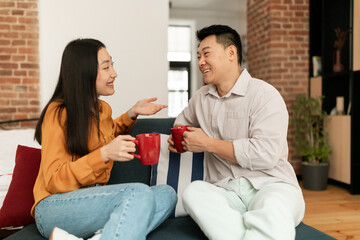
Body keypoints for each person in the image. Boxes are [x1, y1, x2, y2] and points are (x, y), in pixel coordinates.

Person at [168, 25, 305, 240]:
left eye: (206, 54)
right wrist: (177, 140)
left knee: (273, 208)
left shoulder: (264, 95)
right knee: (193, 193)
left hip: (269, 184)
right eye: (198, 56)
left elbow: (266, 154)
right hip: (225, 190)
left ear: (231, 53)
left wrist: (208, 144)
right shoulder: (200, 99)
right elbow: (180, 125)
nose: (201, 61)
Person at [32, 38, 177, 240]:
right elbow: (55, 180)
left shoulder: (102, 109)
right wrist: (104, 154)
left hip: (94, 202)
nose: (114, 73)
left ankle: (106, 235)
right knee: (140, 193)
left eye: (112, 65)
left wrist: (132, 113)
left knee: (167, 194)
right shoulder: (58, 114)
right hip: (55, 206)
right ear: (85, 72)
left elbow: (107, 133)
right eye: (106, 67)